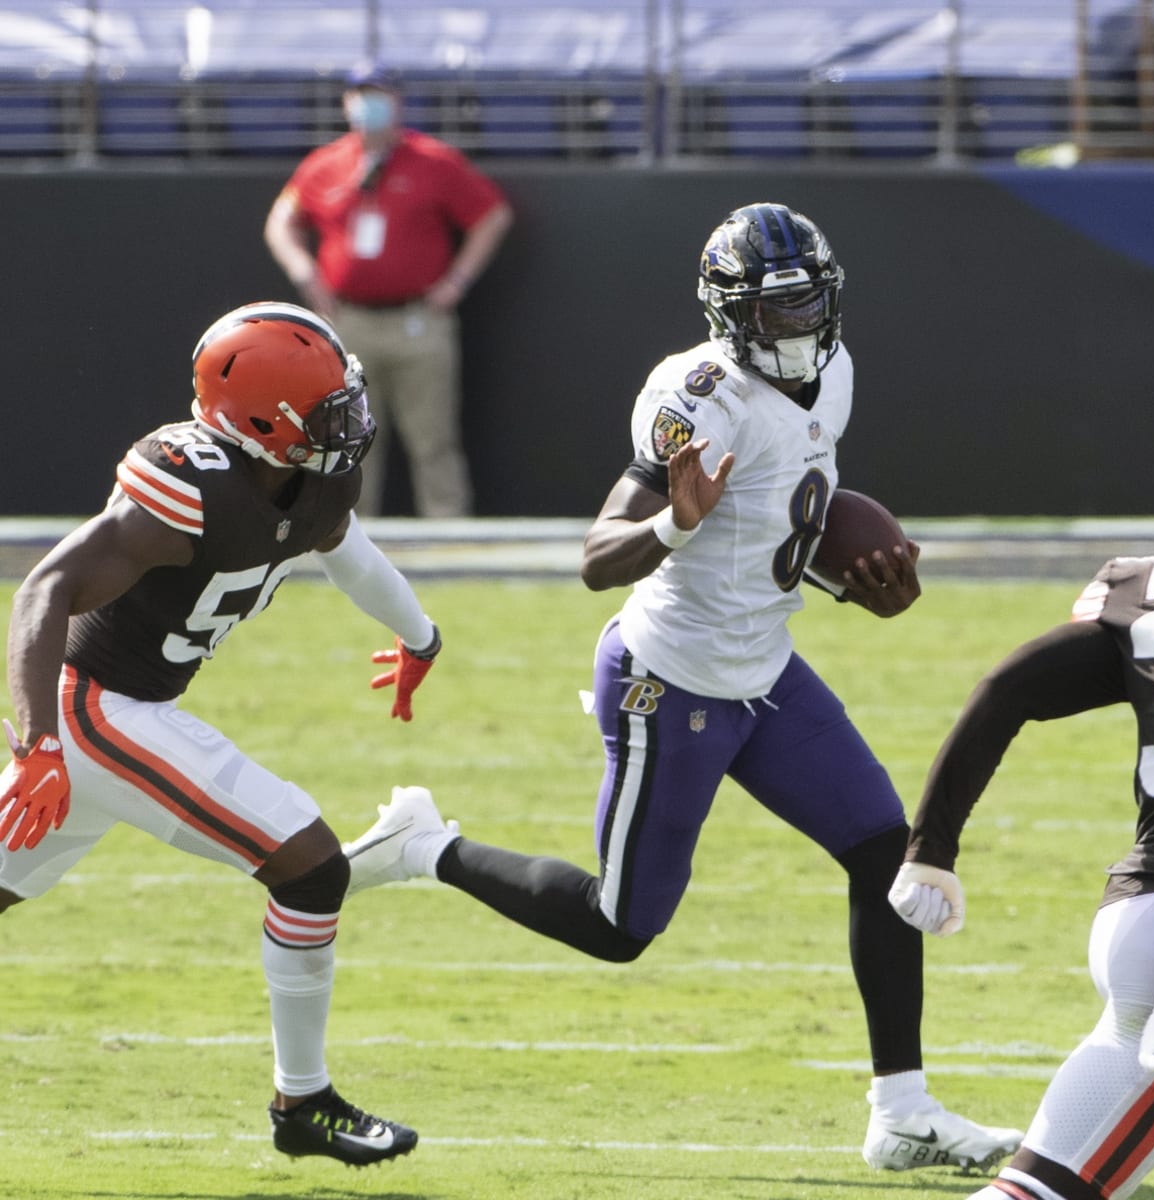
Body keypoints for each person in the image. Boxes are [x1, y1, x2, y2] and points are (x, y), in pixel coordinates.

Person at [339, 201, 1024, 1172]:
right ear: (731, 314)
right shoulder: (699, 394)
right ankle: (427, 846)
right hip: (672, 680)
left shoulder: (836, 374)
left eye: (807, 304)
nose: (797, 326)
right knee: (622, 929)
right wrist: (673, 526)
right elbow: (596, 558)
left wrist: (853, 582)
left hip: (766, 668)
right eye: (776, 310)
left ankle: (903, 1115)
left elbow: (789, 517)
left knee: (884, 854)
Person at [0, 301, 442, 1166]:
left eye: (345, 401)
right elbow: (42, 591)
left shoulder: (315, 478)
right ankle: (303, 1104)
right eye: (326, 414)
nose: (350, 424)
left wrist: (420, 633)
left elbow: (341, 546)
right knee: (312, 868)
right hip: (99, 712)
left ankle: (303, 1104)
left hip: (130, 714)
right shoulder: (184, 487)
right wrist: (38, 746)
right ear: (261, 425)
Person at [888, 417, 1154, 1200]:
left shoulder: (1146, 594)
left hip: (1143, 917)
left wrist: (931, 847)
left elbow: (1008, 687)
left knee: (1040, 1185)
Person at [263, 61, 513, 519]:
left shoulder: (434, 161)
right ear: (345, 103)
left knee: (433, 436)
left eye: (378, 95)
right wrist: (305, 273)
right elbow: (281, 220)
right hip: (348, 321)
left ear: (398, 102)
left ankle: (451, 538)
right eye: (359, 94)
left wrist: (457, 280)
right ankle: (350, 535)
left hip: (418, 320)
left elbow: (492, 215)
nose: (367, 105)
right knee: (348, 439)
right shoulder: (325, 164)